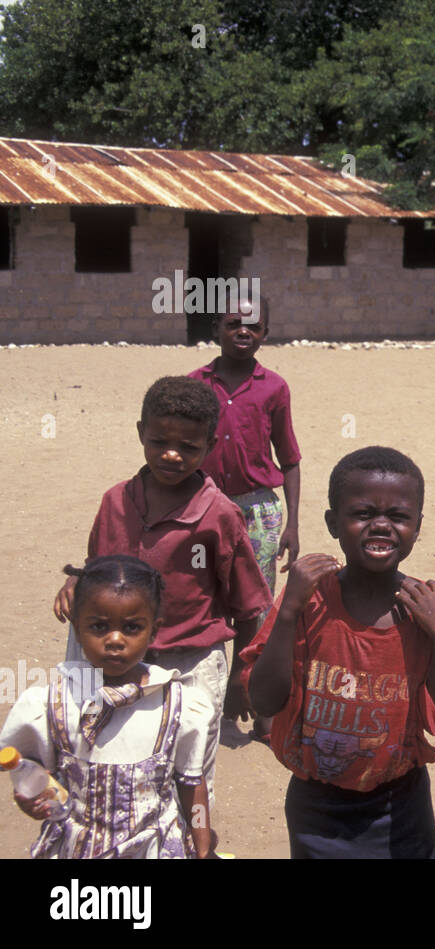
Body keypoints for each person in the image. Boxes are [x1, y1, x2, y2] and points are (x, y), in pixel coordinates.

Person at [242, 447, 435, 858]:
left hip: (399, 803)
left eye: (399, 517)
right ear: (333, 523)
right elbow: (264, 699)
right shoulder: (308, 599)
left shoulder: (428, 607)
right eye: (363, 514)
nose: (381, 526)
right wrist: (288, 613)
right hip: (317, 804)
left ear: (418, 527)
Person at [52, 376, 271, 810]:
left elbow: (249, 607)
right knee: (110, 767)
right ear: (140, 434)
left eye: (188, 447)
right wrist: (77, 579)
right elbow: (100, 565)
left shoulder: (219, 516)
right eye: (159, 441)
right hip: (113, 660)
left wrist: (242, 676)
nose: (172, 455)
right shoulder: (116, 501)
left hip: (188, 665)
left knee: (186, 778)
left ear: (209, 446)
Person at [5, 556, 216, 858]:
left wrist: (203, 848)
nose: (115, 640)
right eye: (99, 626)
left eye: (131, 627)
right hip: (78, 849)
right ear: (77, 629)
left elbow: (191, 784)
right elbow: (32, 774)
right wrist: (28, 798)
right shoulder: (53, 702)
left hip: (153, 849)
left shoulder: (177, 704)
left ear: (153, 631)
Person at [188, 297, 301, 741]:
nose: (243, 332)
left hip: (259, 509)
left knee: (257, 608)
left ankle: (254, 695)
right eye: (234, 323)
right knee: (207, 599)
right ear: (217, 327)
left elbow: (289, 458)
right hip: (205, 505)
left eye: (253, 327)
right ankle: (214, 699)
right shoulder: (196, 385)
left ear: (265, 335)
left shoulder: (274, 387)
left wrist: (292, 522)